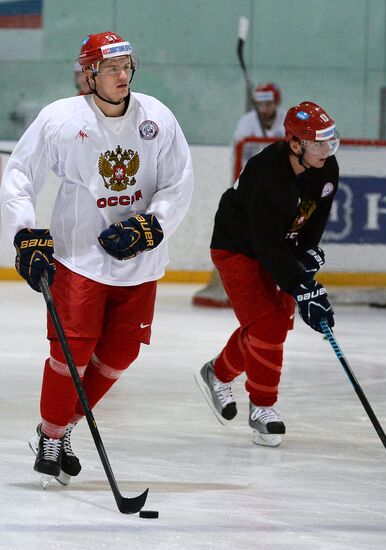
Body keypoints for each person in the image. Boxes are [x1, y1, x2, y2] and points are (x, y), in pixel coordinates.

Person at [0, 31, 193, 484]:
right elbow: (19, 175)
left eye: (127, 66)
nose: (123, 75)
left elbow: (180, 180)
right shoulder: (61, 119)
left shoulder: (157, 118)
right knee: (72, 352)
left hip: (140, 263)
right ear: (89, 75)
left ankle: (64, 425)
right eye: (111, 68)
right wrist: (26, 232)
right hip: (79, 256)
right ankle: (51, 435)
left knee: (122, 354)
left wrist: (154, 224)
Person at [194, 101, 339, 447]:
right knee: (269, 325)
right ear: (294, 144)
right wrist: (300, 285)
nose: (326, 150)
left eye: (329, 141)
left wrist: (305, 261)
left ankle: (218, 372)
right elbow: (265, 242)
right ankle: (262, 407)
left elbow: (313, 221)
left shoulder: (326, 168)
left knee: (272, 325)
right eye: (318, 143)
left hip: (279, 246)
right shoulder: (266, 174)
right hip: (238, 248)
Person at [192, 83, 286, 308]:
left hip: (279, 189)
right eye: (261, 103)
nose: (265, 108)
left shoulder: (285, 121)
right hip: (250, 188)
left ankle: (274, 280)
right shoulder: (247, 123)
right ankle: (240, 281)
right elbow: (240, 152)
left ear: (276, 102)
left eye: (269, 103)